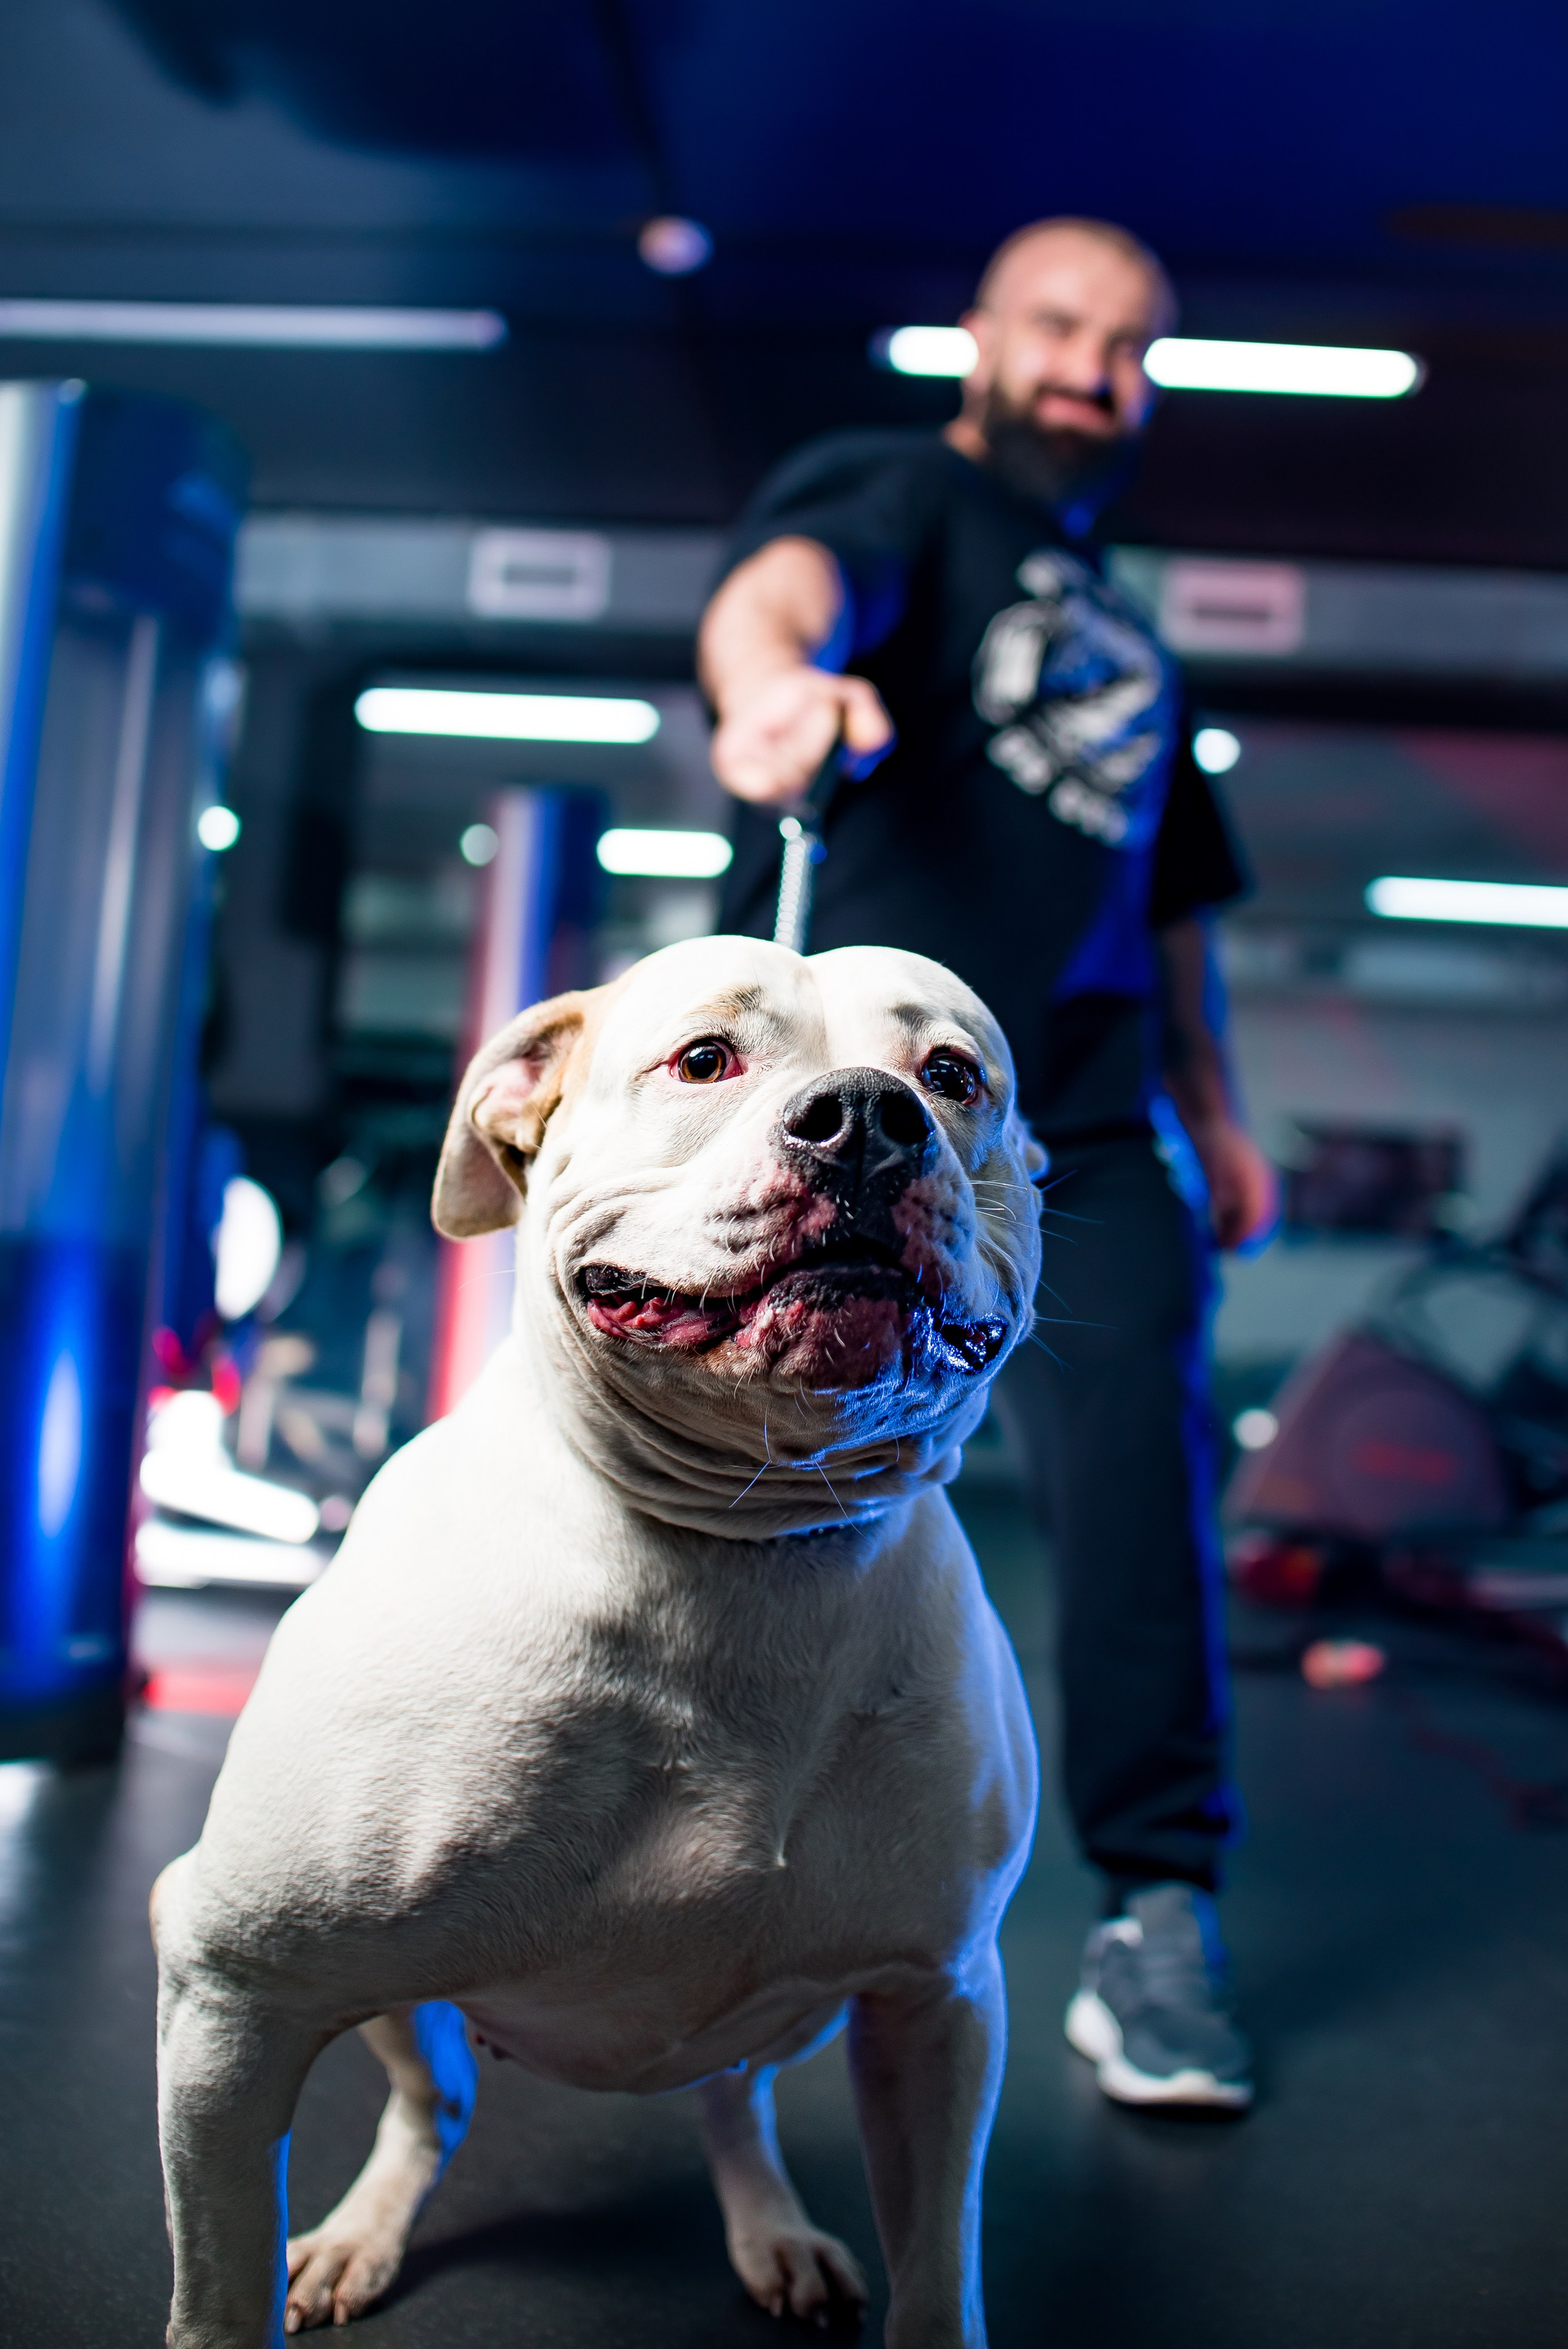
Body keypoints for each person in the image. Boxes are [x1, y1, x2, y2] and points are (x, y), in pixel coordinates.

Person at [697, 216, 1277, 2111]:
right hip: (865, 1096)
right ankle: (655, 1874)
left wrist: (1216, 1099)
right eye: (1055, 326)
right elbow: (786, 593)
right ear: (977, 338)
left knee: (1139, 1493)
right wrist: (770, 690)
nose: (1087, 368)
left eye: (1127, 344)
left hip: (1086, 1122)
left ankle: (1159, 1916)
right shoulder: (901, 501)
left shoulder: (1133, 628)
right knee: (761, 1485)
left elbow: (1170, 898)